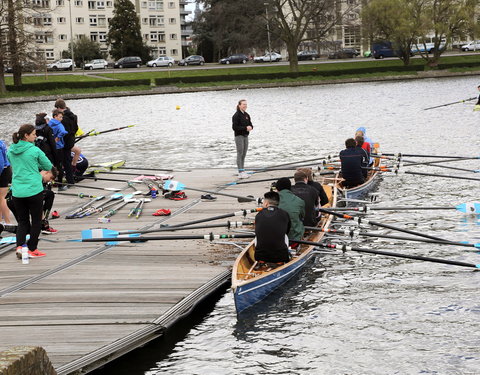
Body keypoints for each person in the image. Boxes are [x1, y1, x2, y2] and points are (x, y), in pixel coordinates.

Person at [7, 124, 53, 258]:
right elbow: (48, 166)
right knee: (37, 221)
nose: (35, 136)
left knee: (22, 221)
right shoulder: (34, 150)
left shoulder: (10, 150)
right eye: (33, 134)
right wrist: (36, 165)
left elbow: (14, 163)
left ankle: (20, 246)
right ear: (26, 136)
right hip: (33, 190)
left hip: (17, 191)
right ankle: (32, 248)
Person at [7, 168, 59, 235]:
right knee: (25, 228)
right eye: (51, 177)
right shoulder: (36, 178)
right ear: (47, 172)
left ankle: (4, 227)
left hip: (13, 198)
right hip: (15, 199)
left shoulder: (36, 176)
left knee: (27, 229)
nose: (51, 180)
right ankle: (43, 223)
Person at [254, 191, 291, 264]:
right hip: (280, 256)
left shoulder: (258, 215)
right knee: (285, 235)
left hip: (260, 256)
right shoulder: (284, 214)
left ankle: (261, 261)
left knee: (258, 236)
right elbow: (287, 231)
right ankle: (280, 262)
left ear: (266, 203)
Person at [55, 98, 78, 187]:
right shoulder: (74, 116)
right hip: (71, 140)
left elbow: (61, 131)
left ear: (58, 107)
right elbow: (76, 128)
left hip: (63, 142)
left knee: (64, 162)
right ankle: (70, 179)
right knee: (67, 160)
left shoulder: (62, 118)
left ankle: (69, 181)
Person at [276, 177, 305, 241]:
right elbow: (302, 217)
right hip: (294, 238)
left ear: (277, 189)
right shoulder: (300, 201)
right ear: (290, 188)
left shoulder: (271, 201)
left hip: (275, 238)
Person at [232, 99, 253, 179]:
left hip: (245, 136)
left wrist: (251, 127)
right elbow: (234, 127)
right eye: (243, 104)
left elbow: (250, 124)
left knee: (244, 153)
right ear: (239, 105)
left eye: (246, 104)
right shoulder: (236, 115)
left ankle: (243, 170)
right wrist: (245, 128)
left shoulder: (246, 115)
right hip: (239, 136)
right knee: (240, 153)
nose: (245, 106)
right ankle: (240, 172)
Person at [48, 109, 68, 190]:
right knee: (59, 165)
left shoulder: (49, 123)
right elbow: (64, 132)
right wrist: (58, 137)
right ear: (55, 116)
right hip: (59, 147)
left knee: (52, 165)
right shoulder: (59, 124)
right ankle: (60, 185)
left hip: (51, 147)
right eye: (60, 117)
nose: (61, 119)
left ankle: (50, 182)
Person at [0, 139, 12, 224]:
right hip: (6, 169)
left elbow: (0, 163)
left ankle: (7, 222)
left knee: (2, 198)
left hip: (3, 171)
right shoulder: (1, 142)